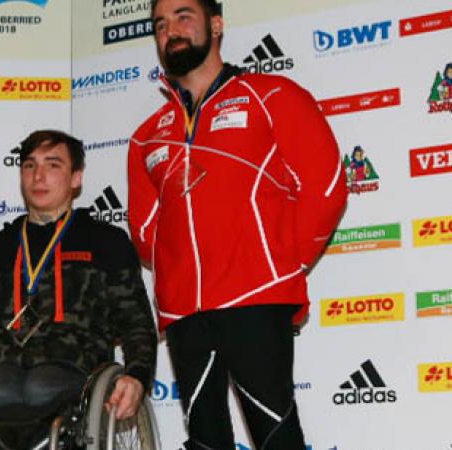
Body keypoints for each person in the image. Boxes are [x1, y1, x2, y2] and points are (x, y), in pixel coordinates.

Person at [127, 0, 348, 449]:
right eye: (160, 24)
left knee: (276, 438)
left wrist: (278, 266)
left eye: (184, 16)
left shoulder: (272, 96)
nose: (171, 31)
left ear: (216, 24)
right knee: (206, 441)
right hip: (184, 312)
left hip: (256, 299)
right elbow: (145, 232)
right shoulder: (146, 134)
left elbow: (326, 188)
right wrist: (177, 271)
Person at [0, 130, 157, 447]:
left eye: (53, 165)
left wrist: (137, 376)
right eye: (30, 166)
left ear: (76, 178)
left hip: (74, 374)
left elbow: (136, 322)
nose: (39, 176)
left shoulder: (105, 242)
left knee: (41, 384)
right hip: (0, 377)